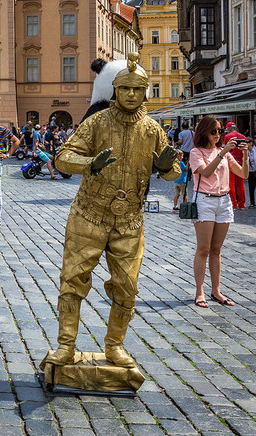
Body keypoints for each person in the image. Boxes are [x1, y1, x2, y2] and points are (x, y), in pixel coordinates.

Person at [48, 53, 180, 369]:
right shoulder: (96, 122)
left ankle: (114, 346)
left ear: (145, 91)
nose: (131, 95)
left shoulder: (153, 129)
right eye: (125, 89)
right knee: (73, 280)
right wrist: (89, 165)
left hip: (129, 220)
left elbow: (174, 170)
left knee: (127, 286)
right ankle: (66, 346)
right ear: (115, 90)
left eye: (138, 89)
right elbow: (62, 158)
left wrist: (165, 168)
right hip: (89, 215)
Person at [188, 115, 248, 308]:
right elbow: (205, 172)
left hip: (224, 201)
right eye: (213, 131)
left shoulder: (224, 151)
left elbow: (243, 174)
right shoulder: (196, 152)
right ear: (204, 132)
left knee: (216, 250)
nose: (217, 134)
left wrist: (245, 155)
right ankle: (199, 292)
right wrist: (222, 154)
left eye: (220, 131)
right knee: (203, 249)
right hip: (204, 201)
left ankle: (216, 291)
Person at [223, 122, 247, 209]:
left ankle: (233, 204)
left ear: (228, 129)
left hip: (230, 163)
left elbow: (223, 149)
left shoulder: (227, 137)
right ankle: (242, 204)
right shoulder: (243, 137)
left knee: (231, 184)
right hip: (240, 162)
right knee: (241, 184)